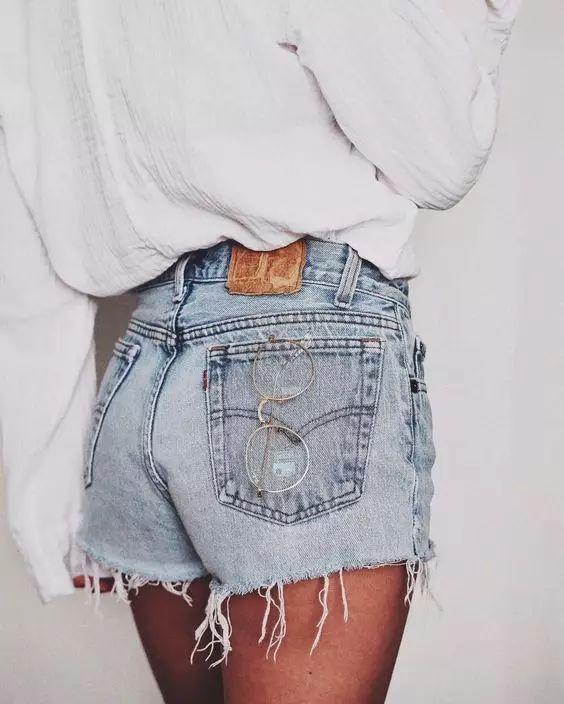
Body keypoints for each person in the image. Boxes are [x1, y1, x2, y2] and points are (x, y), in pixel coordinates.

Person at [0, 1, 520, 702]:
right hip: (300, 359)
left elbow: (21, 211)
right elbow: (441, 153)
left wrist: (47, 501)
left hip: (140, 372)